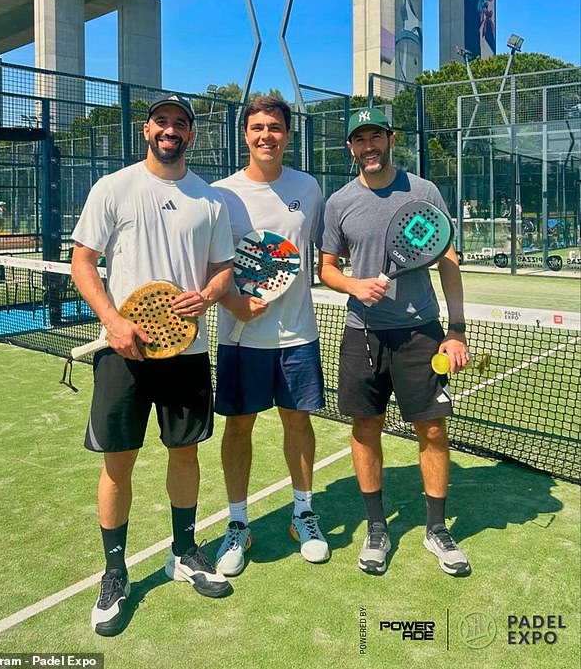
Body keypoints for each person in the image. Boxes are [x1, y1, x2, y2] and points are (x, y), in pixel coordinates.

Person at [71, 94, 236, 636]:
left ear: (191, 135)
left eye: (181, 125)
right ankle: (115, 572)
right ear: (147, 130)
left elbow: (222, 272)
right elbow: (83, 262)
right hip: (124, 354)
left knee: (184, 454)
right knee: (118, 462)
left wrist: (208, 295)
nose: (171, 131)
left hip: (187, 354)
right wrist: (113, 323)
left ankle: (184, 554)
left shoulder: (210, 201)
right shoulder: (114, 188)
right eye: (162, 122)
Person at [318, 107, 472, 578]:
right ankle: (377, 527)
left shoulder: (423, 191)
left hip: (420, 334)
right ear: (351, 147)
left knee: (432, 431)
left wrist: (456, 330)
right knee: (366, 430)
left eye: (376, 137)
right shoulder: (338, 202)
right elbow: (326, 269)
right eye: (359, 139)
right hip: (361, 335)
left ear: (390, 139)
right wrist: (354, 286)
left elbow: (447, 260)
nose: (369, 147)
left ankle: (436, 528)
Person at [211, 96, 329, 576]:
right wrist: (232, 302)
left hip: (298, 335)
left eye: (275, 127)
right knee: (238, 427)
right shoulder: (222, 194)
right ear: (245, 133)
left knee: (298, 424)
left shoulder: (309, 188)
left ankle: (303, 512)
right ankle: (238, 523)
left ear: (287, 134)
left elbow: (328, 253)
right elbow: (211, 267)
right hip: (240, 339)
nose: (267, 135)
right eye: (258, 127)